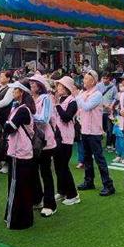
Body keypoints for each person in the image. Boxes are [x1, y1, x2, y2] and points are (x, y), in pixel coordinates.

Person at [3, 81, 38, 230]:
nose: (12, 92)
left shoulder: (22, 110)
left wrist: (6, 122)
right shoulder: (22, 108)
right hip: (23, 151)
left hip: (19, 152)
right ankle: (24, 219)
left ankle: (16, 220)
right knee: (22, 186)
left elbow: (9, 127)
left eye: (15, 90)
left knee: (16, 185)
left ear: (21, 92)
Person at [75, 71, 115, 196]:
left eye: (86, 79)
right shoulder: (84, 93)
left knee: (99, 158)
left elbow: (86, 106)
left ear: (93, 81)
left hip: (94, 131)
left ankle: (108, 185)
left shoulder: (97, 94)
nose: (84, 81)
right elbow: (80, 108)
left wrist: (77, 97)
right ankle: (89, 181)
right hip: (85, 130)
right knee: (87, 158)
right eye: (84, 78)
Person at [29, 74, 58, 217]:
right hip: (32, 141)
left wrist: (27, 116)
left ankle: (50, 204)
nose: (31, 85)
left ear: (40, 86)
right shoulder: (30, 99)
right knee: (33, 171)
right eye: (30, 83)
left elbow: (44, 119)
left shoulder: (46, 99)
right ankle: (37, 199)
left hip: (45, 141)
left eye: (33, 83)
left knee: (45, 172)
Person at [50, 76, 80, 205]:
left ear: (67, 88)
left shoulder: (72, 101)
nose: (58, 88)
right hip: (56, 136)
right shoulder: (59, 100)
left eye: (60, 86)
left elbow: (66, 117)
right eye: (58, 86)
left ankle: (73, 195)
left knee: (63, 166)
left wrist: (57, 105)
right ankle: (62, 191)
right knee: (57, 166)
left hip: (66, 137)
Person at [98, 73, 118, 150]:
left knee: (111, 129)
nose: (105, 80)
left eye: (106, 78)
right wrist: (103, 105)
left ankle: (110, 144)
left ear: (109, 78)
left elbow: (116, 98)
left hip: (110, 112)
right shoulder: (98, 86)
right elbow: (96, 97)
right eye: (103, 78)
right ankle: (99, 144)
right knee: (100, 129)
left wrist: (111, 105)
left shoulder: (113, 87)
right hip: (100, 111)